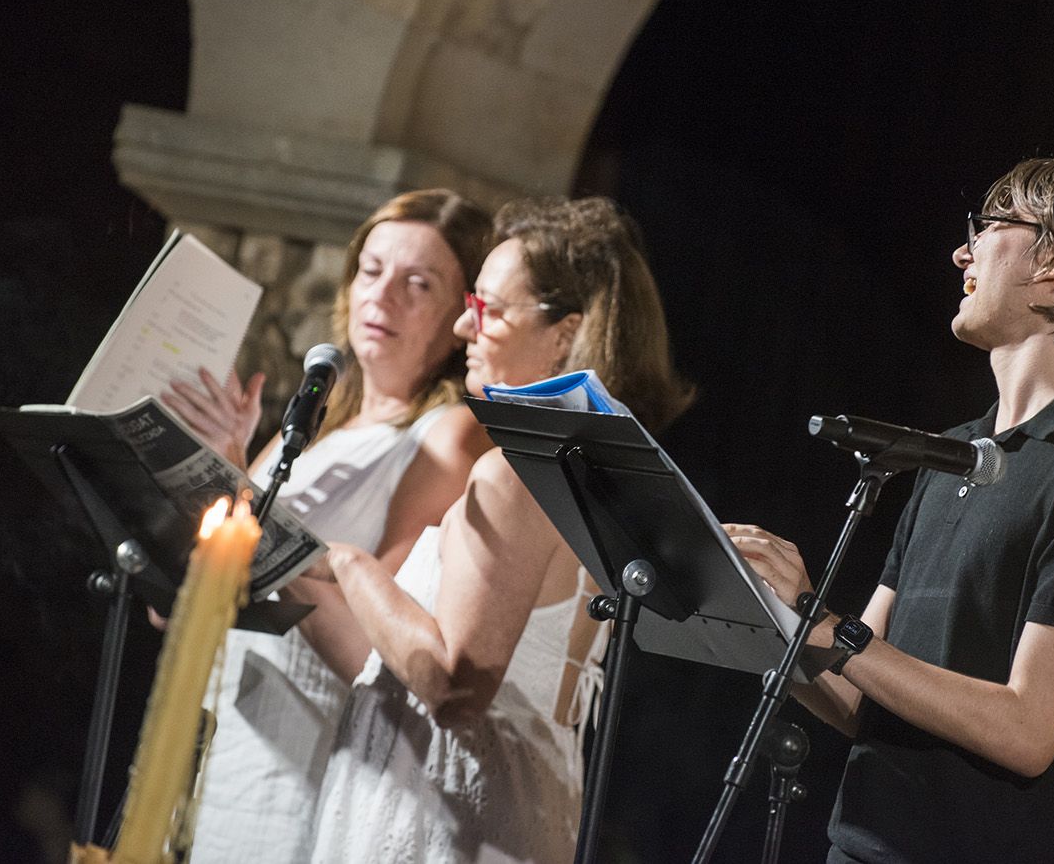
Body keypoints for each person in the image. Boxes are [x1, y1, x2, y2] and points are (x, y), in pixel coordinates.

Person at [728, 157, 1054, 863]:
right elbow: (860, 698)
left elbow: (1028, 730)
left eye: (991, 224)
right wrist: (762, 613)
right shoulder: (950, 455)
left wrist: (826, 625)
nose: (961, 250)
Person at [306, 196, 693, 864]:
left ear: (564, 334)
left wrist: (345, 563)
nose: (462, 326)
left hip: (451, 822)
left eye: (487, 308)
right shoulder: (584, 473)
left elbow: (456, 689)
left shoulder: (516, 478)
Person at [169, 189, 496, 864]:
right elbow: (183, 605)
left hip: (305, 773)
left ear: (462, 315)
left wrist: (262, 536)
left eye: (419, 283)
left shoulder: (446, 437)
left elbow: (377, 657)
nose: (383, 297)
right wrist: (216, 472)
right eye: (371, 271)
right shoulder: (310, 438)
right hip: (218, 752)